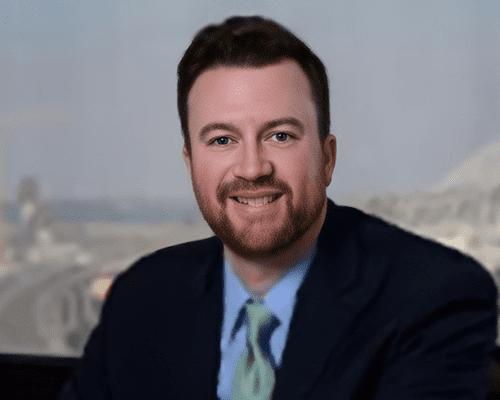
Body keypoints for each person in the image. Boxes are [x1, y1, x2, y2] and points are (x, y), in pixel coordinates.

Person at [60, 16, 498, 399]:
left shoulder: (433, 298)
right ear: (190, 163)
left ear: (327, 158)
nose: (252, 168)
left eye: (280, 136)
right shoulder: (142, 298)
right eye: (222, 140)